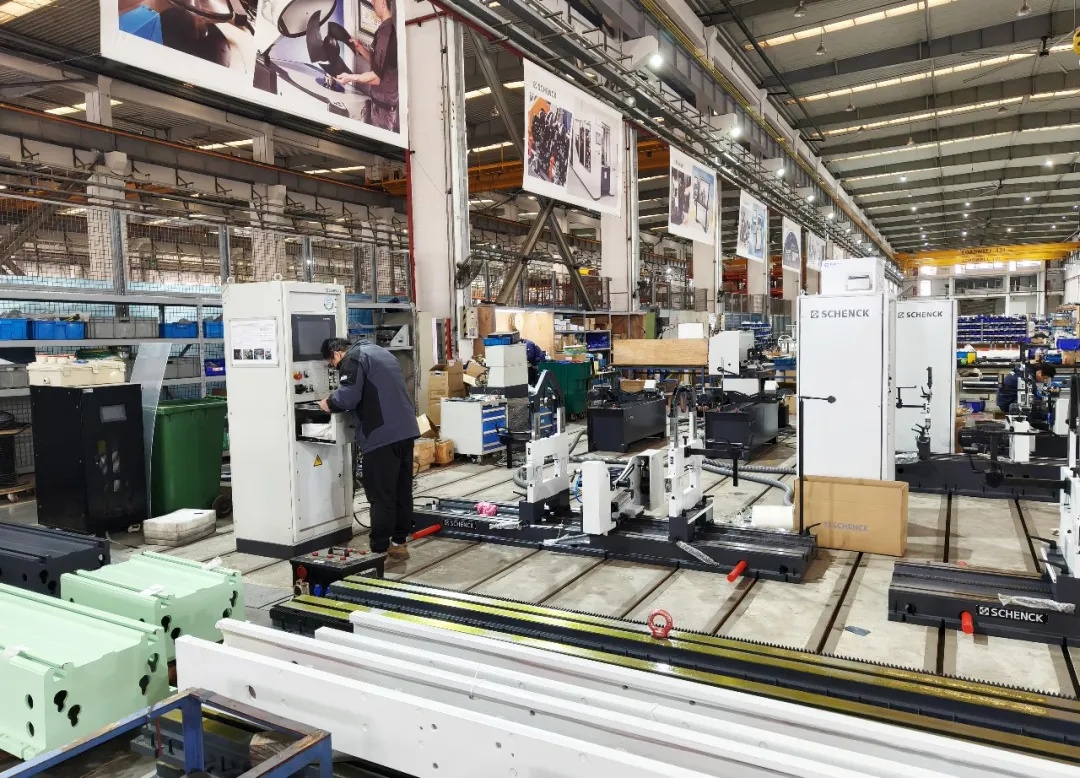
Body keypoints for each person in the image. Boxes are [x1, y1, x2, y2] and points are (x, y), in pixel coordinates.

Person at [319, 337, 419, 561]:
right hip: (405, 431)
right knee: (402, 491)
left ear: (336, 354)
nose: (335, 368)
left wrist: (328, 403)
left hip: (380, 436)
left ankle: (379, 550)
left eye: (332, 364)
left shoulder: (352, 359)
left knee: (381, 495)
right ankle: (399, 544)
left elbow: (348, 397)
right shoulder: (381, 353)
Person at [334, 0, 399, 131]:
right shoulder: (383, 29)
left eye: (375, 1)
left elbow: (376, 78)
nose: (372, 3)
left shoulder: (387, 32)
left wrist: (349, 77)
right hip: (379, 106)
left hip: (383, 111)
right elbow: (378, 63)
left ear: (383, 3)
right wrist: (360, 47)